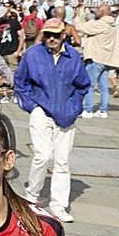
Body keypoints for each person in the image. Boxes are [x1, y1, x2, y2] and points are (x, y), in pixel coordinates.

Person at [14, 18, 90, 224]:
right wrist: (32, 106)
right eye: (48, 34)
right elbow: (20, 82)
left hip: (66, 114)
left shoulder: (73, 57)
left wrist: (75, 107)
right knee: (42, 155)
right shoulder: (33, 55)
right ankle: (31, 198)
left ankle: (59, 205)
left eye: (56, 35)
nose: (51, 39)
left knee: (62, 161)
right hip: (42, 110)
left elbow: (83, 85)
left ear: (63, 35)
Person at [77, 4, 119, 118]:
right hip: (106, 59)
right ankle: (103, 110)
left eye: (97, 10)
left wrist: (81, 16)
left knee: (89, 84)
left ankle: (88, 109)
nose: (95, 12)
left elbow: (81, 27)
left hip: (96, 57)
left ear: (102, 11)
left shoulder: (101, 24)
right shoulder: (113, 25)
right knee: (103, 86)